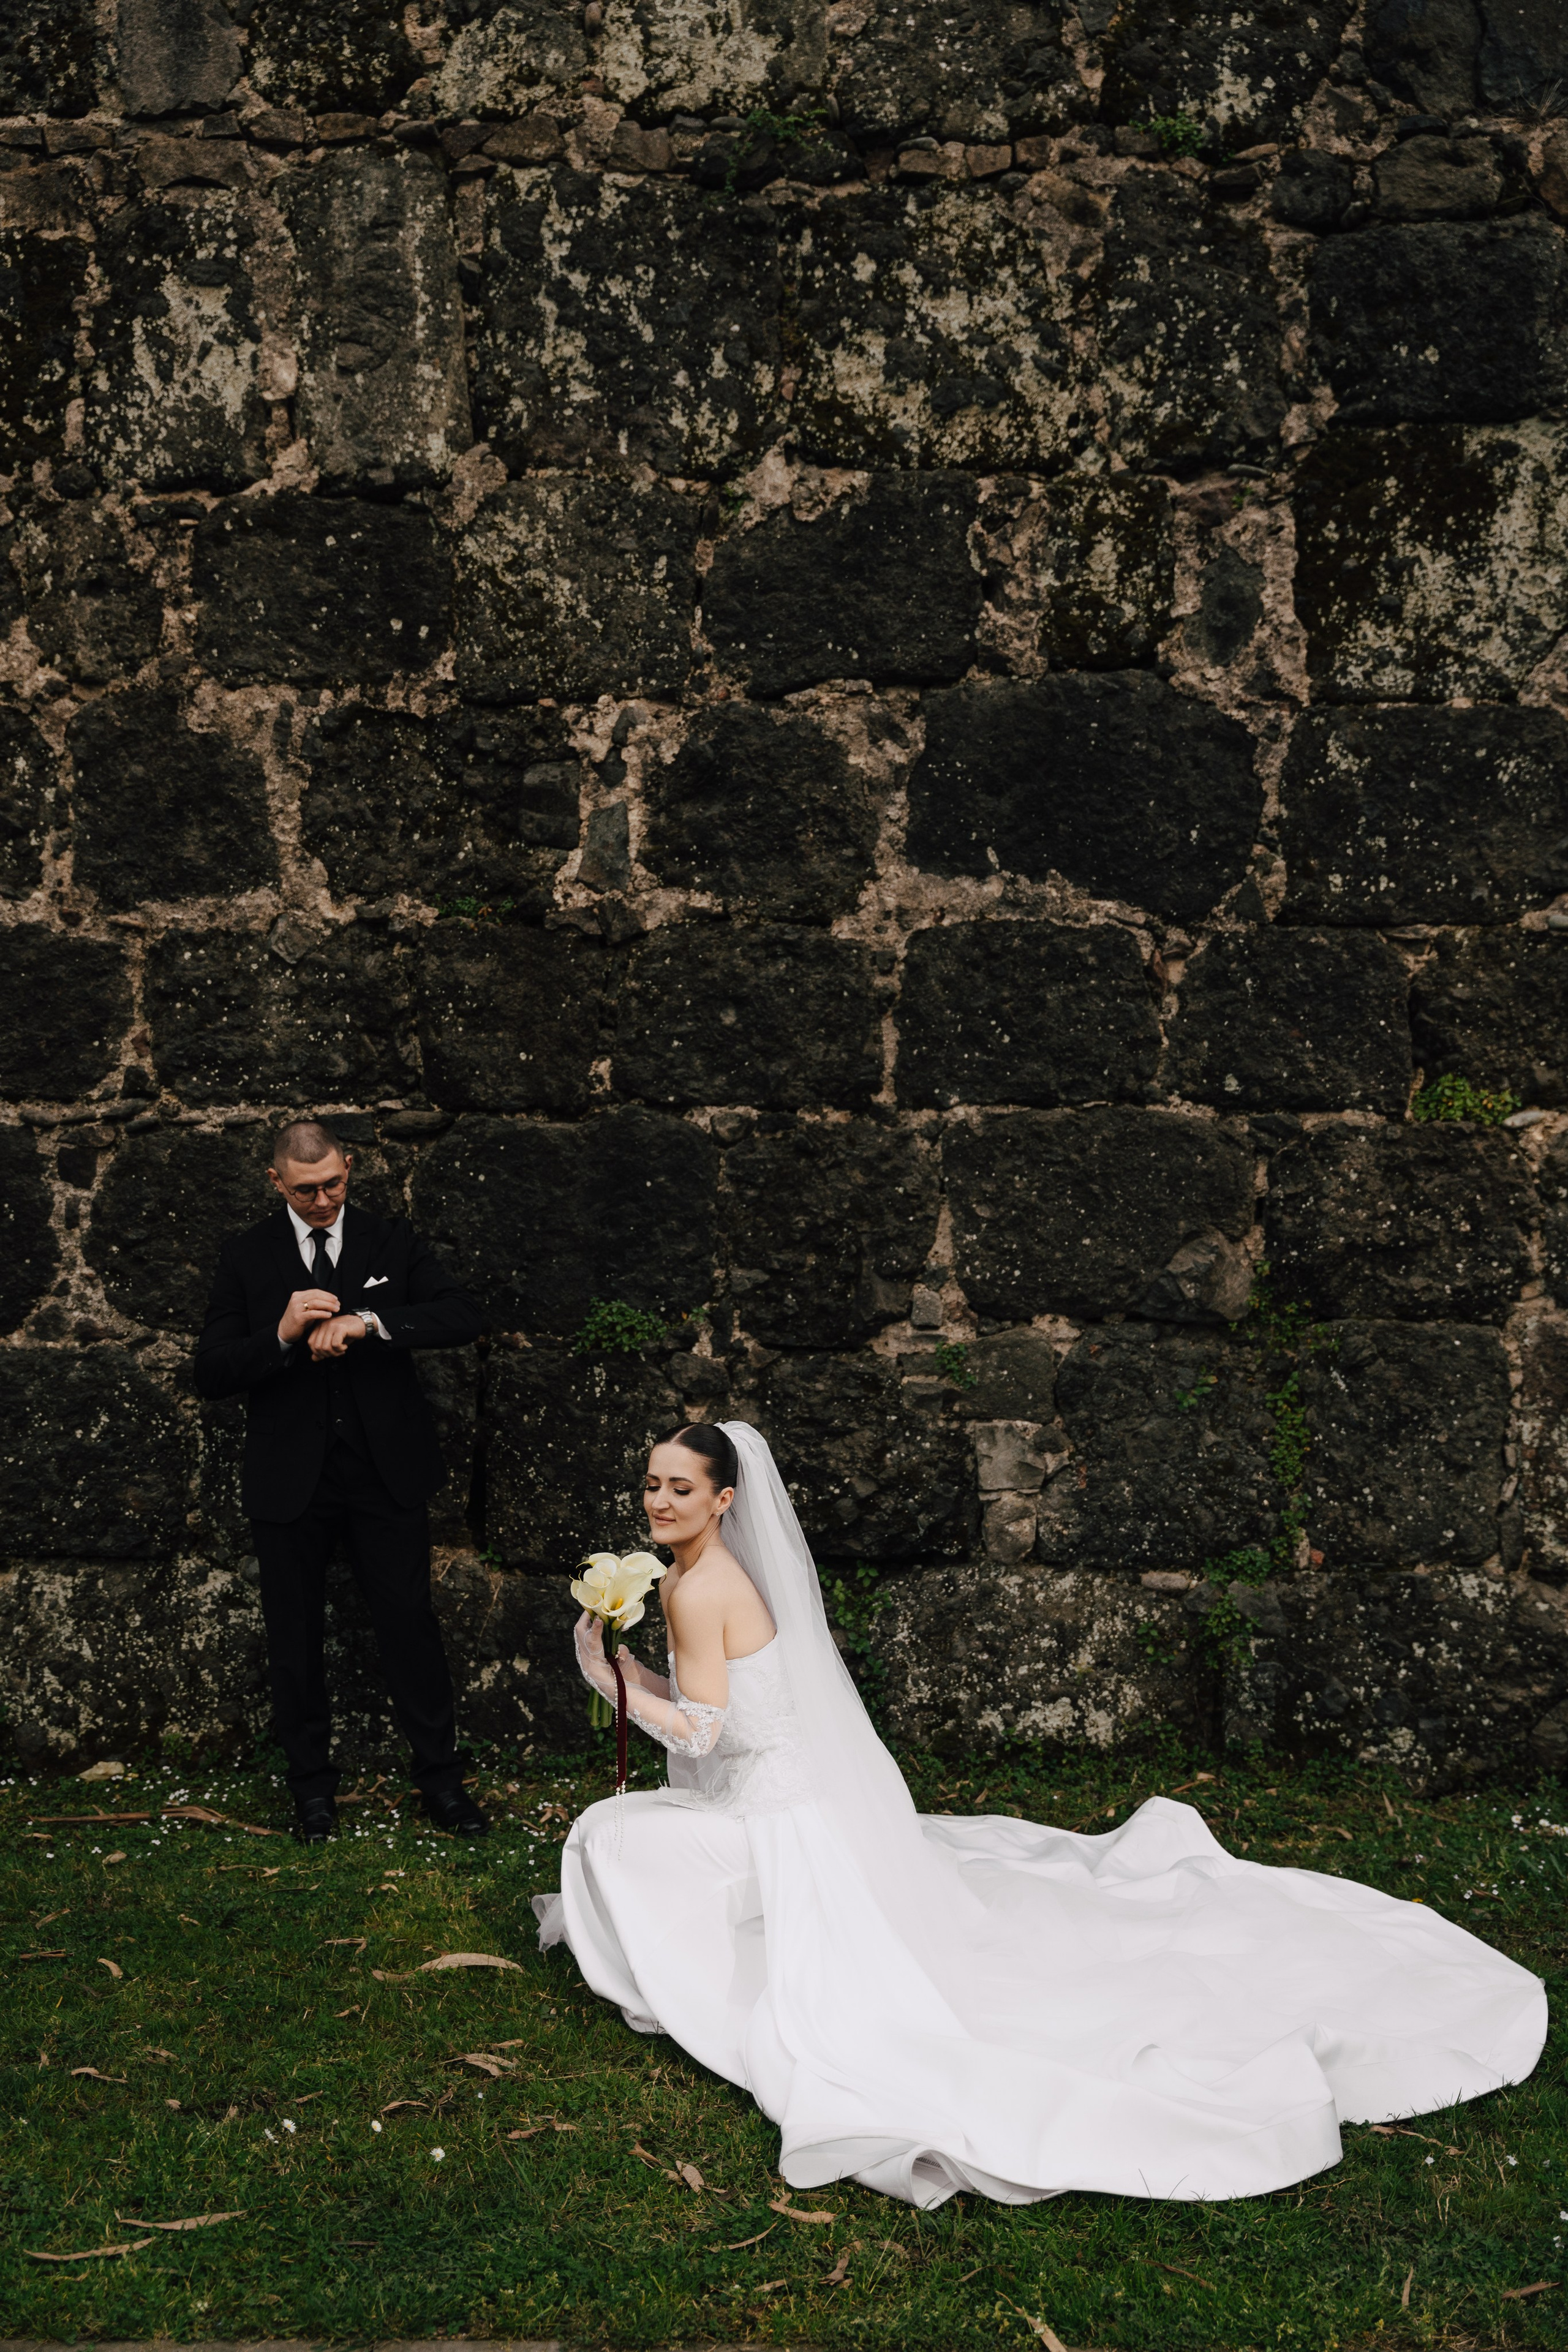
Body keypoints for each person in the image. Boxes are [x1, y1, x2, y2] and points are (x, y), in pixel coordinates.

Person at [535, 1419, 1547, 2209]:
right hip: (781, 1797)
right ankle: (675, 1965)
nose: (659, 1501)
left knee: (605, 1837)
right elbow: (717, 1715)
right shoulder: (698, 1575)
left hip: (781, 1817)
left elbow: (707, 1732)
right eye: (652, 1484)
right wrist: (623, 1669)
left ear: (724, 1498)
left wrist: (609, 1679)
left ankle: (675, 1985)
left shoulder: (701, 1588)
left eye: (680, 1487)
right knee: (628, 1837)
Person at [194, 1116, 486, 1845]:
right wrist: (281, 1333)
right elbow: (211, 1371)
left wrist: (369, 1322)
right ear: (276, 1183)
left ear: (348, 1167)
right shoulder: (246, 1256)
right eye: (305, 1191)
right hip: (289, 1479)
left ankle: (442, 1781)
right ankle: (312, 1793)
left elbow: (461, 1314)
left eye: (332, 1184)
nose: (323, 1201)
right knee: (293, 1635)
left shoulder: (391, 1240)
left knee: (409, 1622)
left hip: (384, 1473)